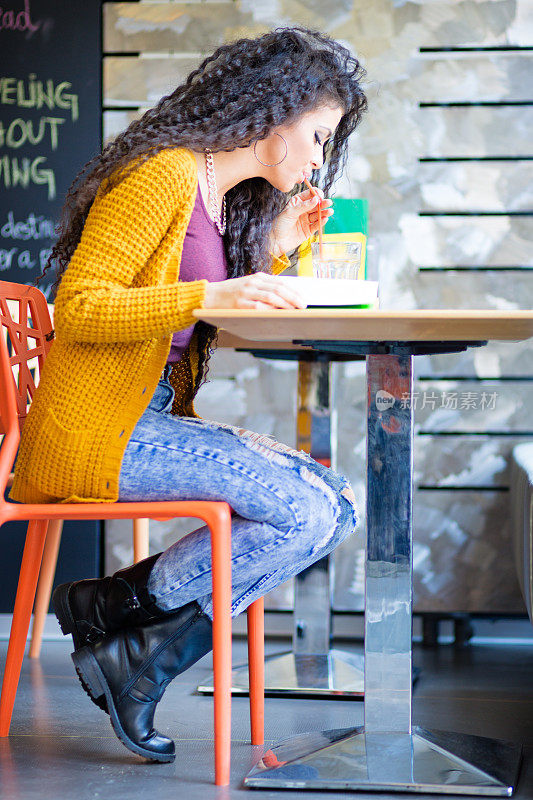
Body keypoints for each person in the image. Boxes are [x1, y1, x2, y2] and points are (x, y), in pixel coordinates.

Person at [10, 26, 367, 763]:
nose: (317, 159)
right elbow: (80, 306)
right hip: (98, 432)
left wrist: (271, 255)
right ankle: (133, 640)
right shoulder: (161, 175)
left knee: (341, 505)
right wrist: (213, 291)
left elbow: (192, 303)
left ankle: (120, 609)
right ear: (278, 107)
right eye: (318, 135)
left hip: (147, 420)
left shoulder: (214, 193)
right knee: (304, 509)